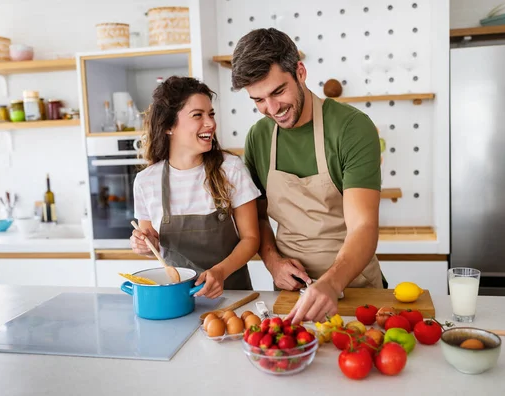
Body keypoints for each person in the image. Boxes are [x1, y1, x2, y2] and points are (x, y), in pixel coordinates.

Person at [231, 28, 385, 323]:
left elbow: (364, 226)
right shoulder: (259, 137)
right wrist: (273, 262)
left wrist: (331, 282)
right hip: (290, 294)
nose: (272, 109)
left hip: (354, 290)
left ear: (300, 72)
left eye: (278, 92)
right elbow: (258, 218)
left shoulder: (352, 128)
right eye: (258, 100)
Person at [130, 76, 261, 299]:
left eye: (211, 114)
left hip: (232, 295)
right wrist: (146, 244)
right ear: (169, 125)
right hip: (177, 298)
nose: (210, 123)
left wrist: (220, 272)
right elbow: (153, 243)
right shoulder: (146, 182)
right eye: (198, 115)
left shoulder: (230, 169)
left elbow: (251, 239)